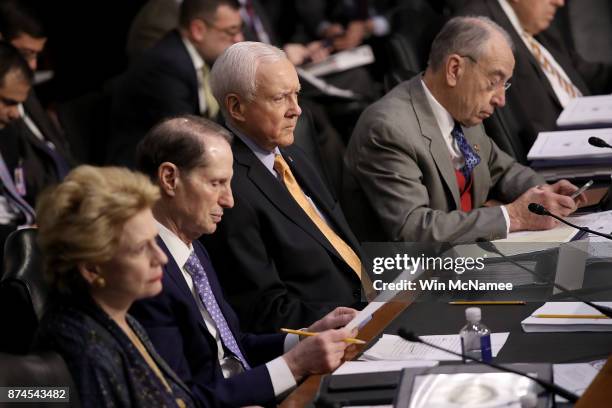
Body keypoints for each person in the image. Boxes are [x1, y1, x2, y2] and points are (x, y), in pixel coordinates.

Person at [130, 115, 357, 406]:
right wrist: (294, 364)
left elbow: (232, 348)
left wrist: (302, 339)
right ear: (170, 178)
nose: (229, 200)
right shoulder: (145, 271)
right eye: (216, 183)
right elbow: (181, 399)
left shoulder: (194, 247)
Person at [343, 16, 586, 244]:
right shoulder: (387, 129)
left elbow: (501, 170)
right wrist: (513, 217)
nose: (501, 100)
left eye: (505, 85)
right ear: (454, 70)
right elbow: (413, 229)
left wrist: (545, 194)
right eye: (493, 82)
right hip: (414, 277)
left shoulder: (464, 109)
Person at [201, 42, 368, 333]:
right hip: (335, 334)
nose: (297, 110)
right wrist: (355, 317)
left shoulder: (291, 154)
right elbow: (264, 309)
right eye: (280, 98)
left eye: (297, 95)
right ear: (236, 107)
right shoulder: (229, 190)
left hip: (375, 303)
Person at [32, 165, 196, 407]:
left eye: (155, 241)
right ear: (92, 268)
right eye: (141, 248)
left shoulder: (122, 317)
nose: (161, 258)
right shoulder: (84, 351)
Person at [457, 0, 612, 149]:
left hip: (597, 129)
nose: (560, 2)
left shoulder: (538, 26)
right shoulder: (478, 28)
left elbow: (587, 74)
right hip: (558, 151)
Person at [109, 0, 244, 166]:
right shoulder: (166, 66)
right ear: (198, 30)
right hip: (144, 169)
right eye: (231, 31)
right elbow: (186, 136)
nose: (239, 38)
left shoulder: (199, 55)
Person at [0, 41, 36, 272]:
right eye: (8, 102)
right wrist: (21, 235)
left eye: (20, 104)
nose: (15, 113)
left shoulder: (8, 133)